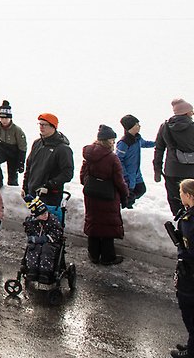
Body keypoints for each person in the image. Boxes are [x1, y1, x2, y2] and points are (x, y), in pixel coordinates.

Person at [81, 124, 130, 265]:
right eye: (112, 140)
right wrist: (125, 194)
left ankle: (94, 255)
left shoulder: (89, 154)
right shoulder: (112, 158)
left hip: (91, 195)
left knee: (94, 222)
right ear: (107, 141)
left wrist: (90, 185)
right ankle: (108, 257)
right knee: (107, 226)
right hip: (108, 197)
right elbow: (119, 181)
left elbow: (83, 175)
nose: (114, 143)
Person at [22, 112, 74, 214]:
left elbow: (67, 173)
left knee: (48, 226)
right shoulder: (37, 143)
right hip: (33, 193)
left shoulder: (62, 149)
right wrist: (25, 186)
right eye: (40, 124)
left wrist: (49, 185)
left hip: (50, 196)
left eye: (44, 125)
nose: (41, 127)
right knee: (33, 226)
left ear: (53, 127)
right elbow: (29, 166)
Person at [156, 99, 194, 217]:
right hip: (192, 172)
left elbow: (159, 149)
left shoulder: (165, 126)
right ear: (186, 112)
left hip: (172, 171)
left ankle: (180, 226)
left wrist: (157, 169)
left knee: (175, 201)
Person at [22, 194, 65, 284]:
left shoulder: (53, 220)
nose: (45, 215)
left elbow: (56, 234)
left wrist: (43, 239)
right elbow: (28, 230)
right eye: (42, 214)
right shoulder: (32, 222)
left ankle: (45, 271)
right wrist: (32, 237)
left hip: (51, 242)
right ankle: (32, 269)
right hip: (37, 241)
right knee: (33, 249)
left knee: (46, 250)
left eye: (46, 213)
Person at [172, 179, 194, 358]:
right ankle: (191, 343)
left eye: (181, 193)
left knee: (189, 309)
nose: (180, 196)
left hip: (190, 272)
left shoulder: (190, 220)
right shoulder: (188, 215)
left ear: (189, 195)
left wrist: (182, 248)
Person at [116, 114, 156, 208]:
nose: (139, 126)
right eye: (137, 124)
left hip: (137, 173)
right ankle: (126, 208)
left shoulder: (137, 138)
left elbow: (144, 143)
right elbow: (118, 159)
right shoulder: (124, 143)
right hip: (128, 175)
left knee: (141, 189)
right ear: (130, 127)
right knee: (130, 193)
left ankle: (127, 203)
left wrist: (156, 143)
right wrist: (125, 173)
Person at [0, 100, 27, 187]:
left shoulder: (17, 130)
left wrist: (21, 162)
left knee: (12, 176)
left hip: (14, 153)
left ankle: (13, 188)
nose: (4, 121)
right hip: (2, 150)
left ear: (10, 118)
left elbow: (23, 146)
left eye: (6, 118)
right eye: (2, 118)